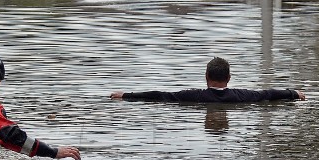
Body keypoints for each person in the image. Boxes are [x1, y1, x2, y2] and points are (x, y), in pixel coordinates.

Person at [109, 57, 306, 103]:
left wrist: (126, 95)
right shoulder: (244, 96)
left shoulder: (194, 96)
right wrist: (294, 93)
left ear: (206, 76)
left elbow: (160, 96)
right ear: (229, 78)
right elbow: (269, 94)